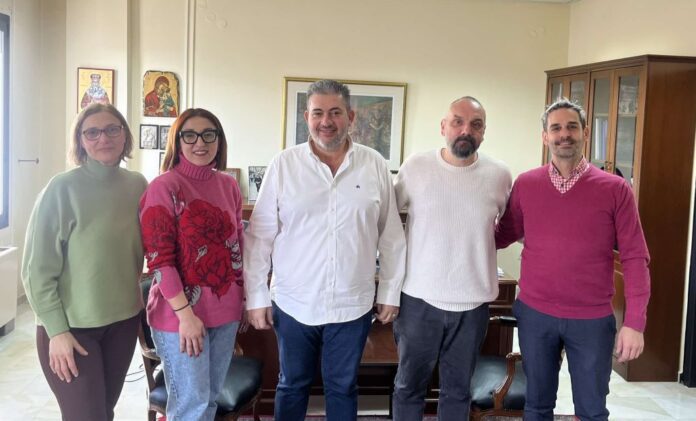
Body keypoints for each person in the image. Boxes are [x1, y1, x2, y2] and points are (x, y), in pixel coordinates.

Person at [244, 79, 406, 421]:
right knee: (292, 384)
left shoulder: (374, 164)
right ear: (307, 117)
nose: (326, 121)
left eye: (335, 112)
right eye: (318, 113)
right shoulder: (283, 165)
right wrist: (256, 296)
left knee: (343, 386)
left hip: (352, 303)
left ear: (351, 116)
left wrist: (390, 292)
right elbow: (259, 237)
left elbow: (391, 235)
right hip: (294, 301)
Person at [495, 98, 651, 420]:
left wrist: (635, 322)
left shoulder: (616, 189)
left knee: (592, 410)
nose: (564, 134)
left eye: (571, 127)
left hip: (592, 320)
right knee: (536, 406)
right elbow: (503, 234)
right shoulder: (526, 184)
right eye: (556, 128)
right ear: (545, 136)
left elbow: (635, 257)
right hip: (536, 316)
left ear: (585, 132)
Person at [21, 103, 146, 420]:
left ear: (124, 135)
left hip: (123, 323)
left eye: (112, 129)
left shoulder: (138, 186)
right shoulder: (61, 189)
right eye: (92, 132)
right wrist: (57, 332)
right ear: (80, 140)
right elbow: (36, 272)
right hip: (72, 329)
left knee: (103, 412)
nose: (103, 138)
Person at [391, 96, 511, 420]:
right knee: (408, 387)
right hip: (418, 301)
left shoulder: (500, 175)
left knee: (457, 392)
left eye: (475, 124)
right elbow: (386, 219)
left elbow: (510, 228)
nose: (465, 130)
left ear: (483, 132)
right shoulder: (416, 167)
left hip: (472, 306)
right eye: (458, 122)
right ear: (443, 127)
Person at [139, 108, 244, 420]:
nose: (200, 143)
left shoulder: (229, 185)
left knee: (209, 400)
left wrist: (243, 299)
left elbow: (238, 244)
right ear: (177, 141)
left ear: (219, 140)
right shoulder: (164, 187)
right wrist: (185, 316)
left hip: (225, 312)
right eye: (190, 135)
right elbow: (160, 260)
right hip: (179, 316)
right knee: (191, 406)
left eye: (209, 134)